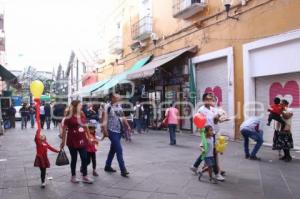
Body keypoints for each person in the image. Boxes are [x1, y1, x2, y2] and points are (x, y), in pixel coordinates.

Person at [191, 93, 224, 181]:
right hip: (206, 134)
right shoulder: (201, 110)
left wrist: (220, 118)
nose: (209, 101)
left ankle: (195, 166)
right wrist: (203, 133)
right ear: (204, 100)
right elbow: (197, 121)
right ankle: (217, 174)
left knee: (206, 152)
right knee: (212, 153)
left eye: (211, 99)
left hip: (213, 133)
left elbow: (216, 120)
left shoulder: (213, 109)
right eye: (207, 99)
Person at [60, 100, 93, 184]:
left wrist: (89, 137)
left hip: (82, 139)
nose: (81, 106)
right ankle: (73, 176)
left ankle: (84, 176)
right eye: (79, 105)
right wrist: (63, 141)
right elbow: (64, 130)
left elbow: (86, 127)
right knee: (74, 159)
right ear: (75, 107)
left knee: (84, 158)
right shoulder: (69, 116)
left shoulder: (82, 114)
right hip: (72, 140)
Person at [102, 93, 131, 177]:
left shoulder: (119, 106)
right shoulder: (107, 106)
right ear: (113, 98)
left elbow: (123, 117)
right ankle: (123, 170)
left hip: (119, 131)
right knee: (119, 150)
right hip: (111, 131)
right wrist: (105, 130)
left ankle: (107, 166)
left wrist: (128, 126)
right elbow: (105, 119)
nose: (119, 98)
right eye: (118, 97)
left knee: (113, 149)